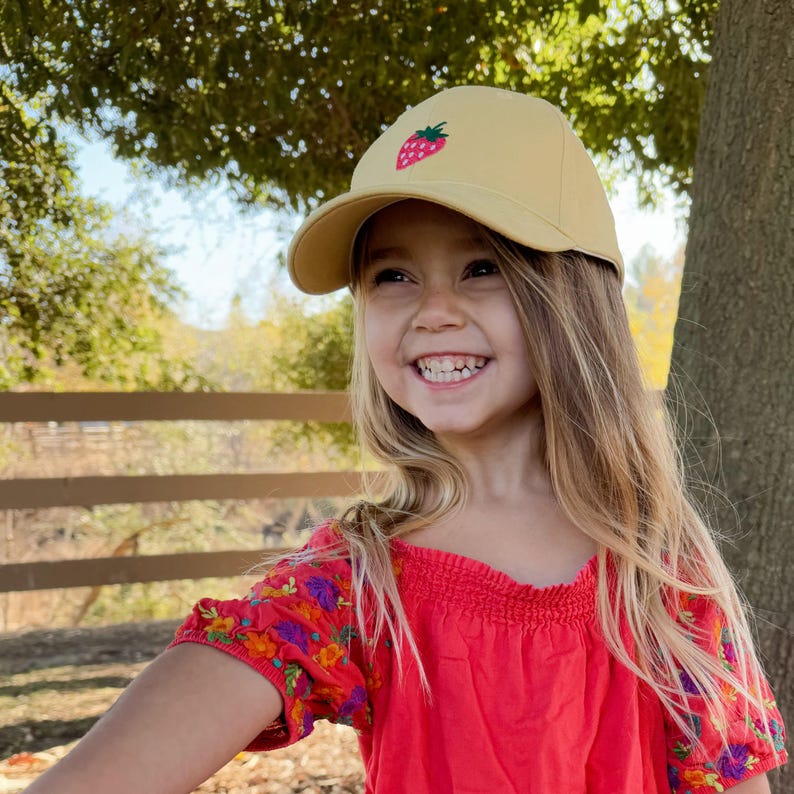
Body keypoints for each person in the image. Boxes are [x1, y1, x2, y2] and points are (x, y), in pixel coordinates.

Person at [26, 86, 786, 793]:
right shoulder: (357, 579)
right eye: (393, 276)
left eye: (482, 267)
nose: (433, 310)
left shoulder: (660, 574)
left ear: (575, 298)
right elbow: (201, 689)